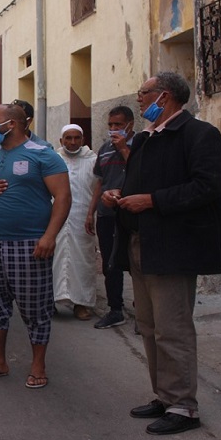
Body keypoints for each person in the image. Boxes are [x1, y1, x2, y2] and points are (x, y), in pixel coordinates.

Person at [102, 72, 221, 435]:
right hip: (141, 244)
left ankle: (184, 406)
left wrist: (152, 201)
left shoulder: (200, 134)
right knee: (150, 327)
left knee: (173, 329)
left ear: (165, 96)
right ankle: (166, 395)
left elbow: (205, 187)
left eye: (144, 93)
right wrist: (119, 195)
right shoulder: (145, 139)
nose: (139, 99)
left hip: (174, 246)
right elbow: (136, 184)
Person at [0, 104, 70, 389]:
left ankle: (38, 365)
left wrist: (49, 237)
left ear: (11, 124)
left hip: (30, 245)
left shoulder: (43, 154)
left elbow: (63, 197)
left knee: (35, 308)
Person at [86, 106, 135, 329]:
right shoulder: (104, 149)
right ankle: (116, 309)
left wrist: (124, 148)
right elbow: (100, 182)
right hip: (107, 214)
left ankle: (144, 312)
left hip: (133, 212)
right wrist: (91, 212)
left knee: (137, 262)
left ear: (130, 125)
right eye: (111, 125)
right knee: (110, 262)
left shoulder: (141, 144)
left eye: (118, 125)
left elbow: (140, 171)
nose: (114, 129)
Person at [53, 124, 97, 321]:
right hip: (56, 219)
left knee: (83, 261)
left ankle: (81, 304)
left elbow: (98, 188)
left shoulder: (93, 160)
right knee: (53, 260)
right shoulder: (54, 160)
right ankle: (50, 302)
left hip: (83, 219)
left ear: (83, 139)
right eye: (68, 138)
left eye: (76, 138)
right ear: (61, 141)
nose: (72, 142)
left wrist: (91, 214)